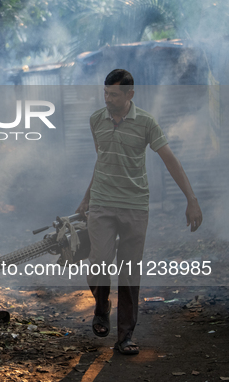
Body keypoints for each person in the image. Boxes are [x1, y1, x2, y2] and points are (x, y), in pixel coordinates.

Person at [75, 69, 203, 355]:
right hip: (102, 204)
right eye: (105, 93)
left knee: (130, 273)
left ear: (130, 94)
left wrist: (191, 199)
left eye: (114, 94)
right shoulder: (96, 119)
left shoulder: (146, 122)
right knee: (98, 262)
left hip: (135, 206)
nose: (108, 99)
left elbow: (171, 160)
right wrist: (86, 198)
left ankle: (124, 337)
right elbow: (103, 161)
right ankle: (102, 304)